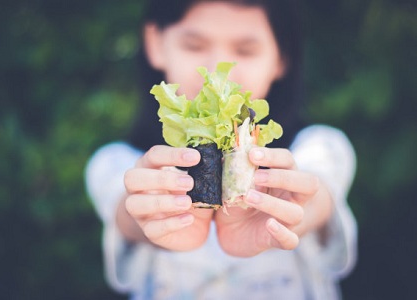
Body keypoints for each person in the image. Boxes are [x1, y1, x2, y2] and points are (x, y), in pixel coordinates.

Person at [85, 0, 357, 299]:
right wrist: (149, 213)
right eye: (194, 45)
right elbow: (125, 209)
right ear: (155, 43)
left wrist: (290, 213)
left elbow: (318, 193)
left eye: (245, 51)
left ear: (282, 57)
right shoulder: (116, 163)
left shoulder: (320, 146)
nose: (217, 73)